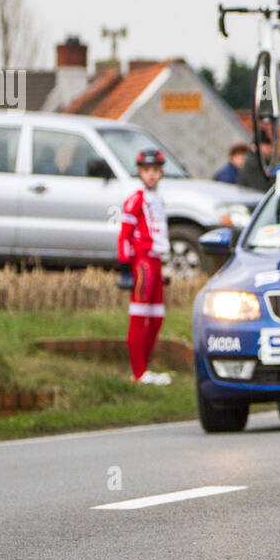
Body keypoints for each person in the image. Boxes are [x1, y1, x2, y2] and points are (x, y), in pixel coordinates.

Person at [118, 149, 172, 385]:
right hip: (142, 261)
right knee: (139, 316)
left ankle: (144, 368)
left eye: (155, 171)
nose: (151, 176)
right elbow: (124, 236)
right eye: (146, 171)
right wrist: (125, 266)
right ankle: (138, 372)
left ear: (160, 173)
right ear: (140, 173)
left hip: (157, 260)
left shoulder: (159, 199)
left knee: (157, 317)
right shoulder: (135, 199)